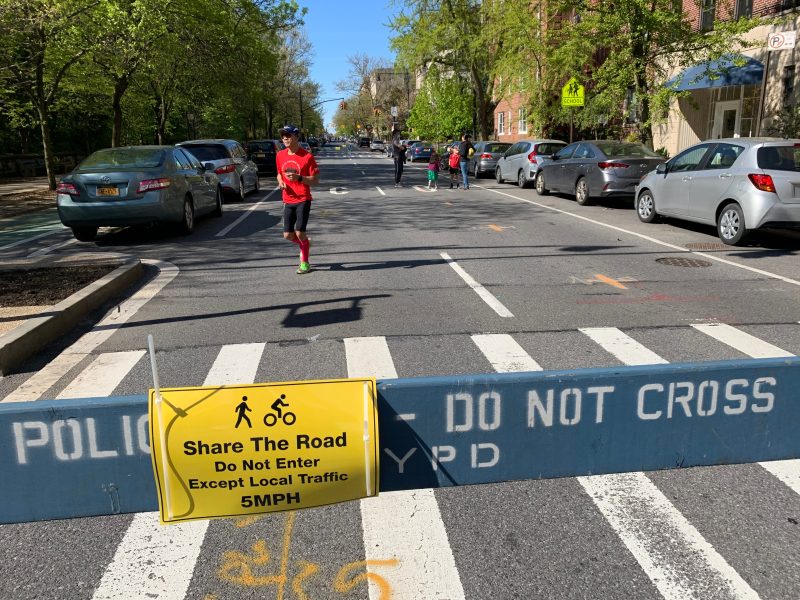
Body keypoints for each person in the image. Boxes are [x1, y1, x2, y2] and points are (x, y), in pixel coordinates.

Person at [276, 124, 319, 274]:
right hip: (287, 199)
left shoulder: (307, 156)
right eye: (283, 136)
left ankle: (305, 263)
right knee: (288, 235)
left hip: (303, 198)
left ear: (296, 137)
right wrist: (280, 181)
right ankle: (305, 243)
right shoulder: (280, 155)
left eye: (288, 135)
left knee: (300, 232)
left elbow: (315, 180)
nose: (285, 138)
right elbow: (279, 173)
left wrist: (299, 178)